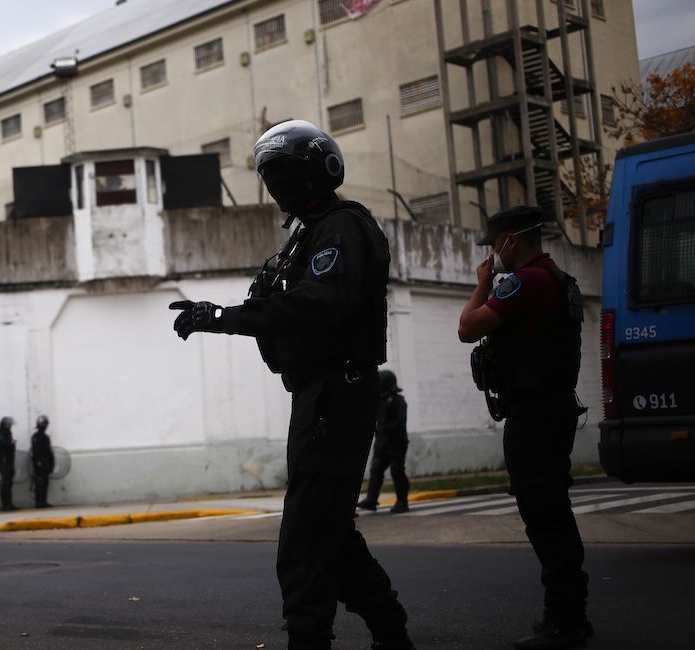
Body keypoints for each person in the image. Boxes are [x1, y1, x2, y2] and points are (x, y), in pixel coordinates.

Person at [170, 120, 414, 650]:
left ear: (323, 169)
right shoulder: (307, 233)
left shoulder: (341, 228)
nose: (279, 186)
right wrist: (220, 315)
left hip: (337, 392)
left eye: (287, 173)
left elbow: (321, 303)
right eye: (271, 176)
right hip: (317, 395)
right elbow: (281, 305)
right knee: (330, 532)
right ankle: (392, 634)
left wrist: (220, 315)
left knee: (305, 538)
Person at [458, 205, 590, 650]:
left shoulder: (527, 281)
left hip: (534, 415)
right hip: (553, 408)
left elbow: (467, 327)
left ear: (510, 240)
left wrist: (481, 284)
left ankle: (565, 622)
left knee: (543, 514)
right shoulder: (558, 279)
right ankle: (572, 613)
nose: (492, 254)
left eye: (494, 244)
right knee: (552, 510)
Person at [357, 370, 410, 514]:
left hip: (396, 443)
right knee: (376, 470)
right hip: (381, 443)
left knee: (397, 470)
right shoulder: (378, 401)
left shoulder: (399, 402)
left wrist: (382, 427)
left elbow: (400, 422)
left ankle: (402, 501)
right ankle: (371, 500)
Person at [31, 415, 55, 508]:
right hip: (40, 464)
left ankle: (43, 501)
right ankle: (39, 502)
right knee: (40, 483)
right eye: (42, 423)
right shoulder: (36, 436)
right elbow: (35, 451)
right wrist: (38, 462)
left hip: (46, 463)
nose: (44, 425)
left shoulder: (44, 436)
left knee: (45, 483)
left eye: (45, 423)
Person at [0, 416, 18, 512]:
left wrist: (12, 442)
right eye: (8, 425)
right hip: (4, 462)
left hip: (10, 461)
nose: (10, 427)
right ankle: (5, 504)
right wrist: (12, 443)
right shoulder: (0, 436)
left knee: (9, 483)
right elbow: (6, 446)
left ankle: (9, 503)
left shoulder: (8, 435)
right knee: (5, 483)